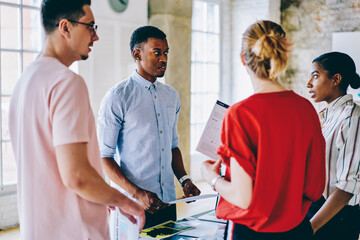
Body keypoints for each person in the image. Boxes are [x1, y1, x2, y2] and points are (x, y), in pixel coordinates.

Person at [8, 0, 145, 239]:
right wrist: (127, 202)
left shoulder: (24, 83)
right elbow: (77, 176)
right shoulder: (67, 83)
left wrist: (103, 194)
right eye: (91, 26)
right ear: (65, 27)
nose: (96, 37)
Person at [201, 20, 326, 240]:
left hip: (253, 234)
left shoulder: (240, 114)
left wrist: (211, 179)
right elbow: (315, 189)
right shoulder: (306, 109)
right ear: (283, 57)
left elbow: (242, 197)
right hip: (298, 231)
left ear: (243, 59)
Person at [97, 25, 201, 232]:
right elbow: (104, 157)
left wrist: (185, 180)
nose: (164, 59)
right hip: (132, 206)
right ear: (137, 54)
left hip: (168, 203)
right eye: (157, 53)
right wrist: (139, 194)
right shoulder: (117, 97)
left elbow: (172, 146)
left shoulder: (171, 96)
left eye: (166, 53)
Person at [306, 52, 360, 240]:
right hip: (317, 209)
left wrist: (311, 227)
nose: (308, 84)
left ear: (336, 79)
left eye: (315, 76)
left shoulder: (352, 118)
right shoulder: (326, 116)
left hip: (337, 218)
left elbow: (347, 186)